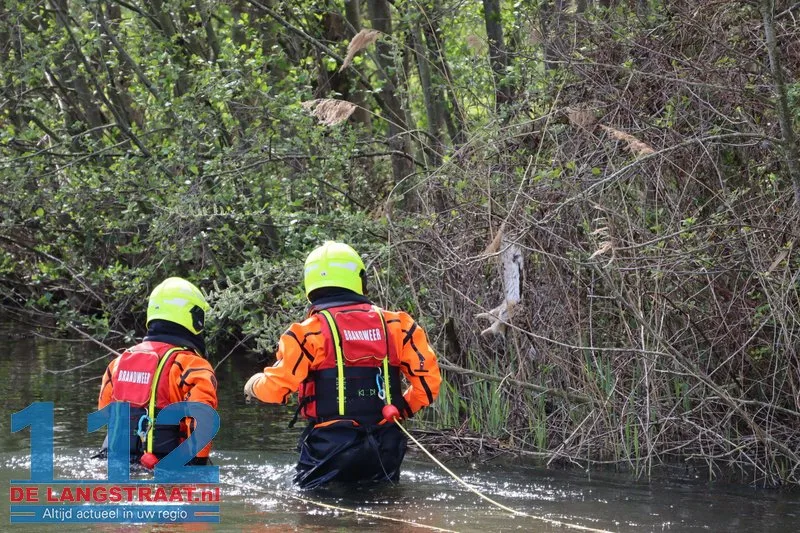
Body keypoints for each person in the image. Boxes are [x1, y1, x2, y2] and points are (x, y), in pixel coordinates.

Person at [244, 241, 442, 489]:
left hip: (330, 447)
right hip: (386, 446)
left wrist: (254, 385)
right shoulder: (399, 325)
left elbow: (276, 389)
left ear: (311, 284)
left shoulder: (306, 333)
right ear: (360, 278)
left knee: (313, 514)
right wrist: (399, 409)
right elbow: (428, 384)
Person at [98, 277, 218, 467]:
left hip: (116, 466)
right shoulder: (191, 366)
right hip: (168, 470)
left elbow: (105, 414)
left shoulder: (118, 363)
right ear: (194, 319)